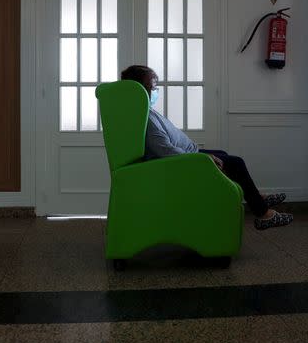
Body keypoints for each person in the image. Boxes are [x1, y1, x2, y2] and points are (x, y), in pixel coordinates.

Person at [120, 65, 293, 230]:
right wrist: (202, 158)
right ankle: (263, 213)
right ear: (139, 90)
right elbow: (165, 151)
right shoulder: (147, 119)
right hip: (183, 163)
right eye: (152, 87)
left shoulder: (145, 111)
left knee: (224, 156)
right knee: (236, 163)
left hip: (188, 156)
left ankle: (256, 197)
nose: (155, 91)